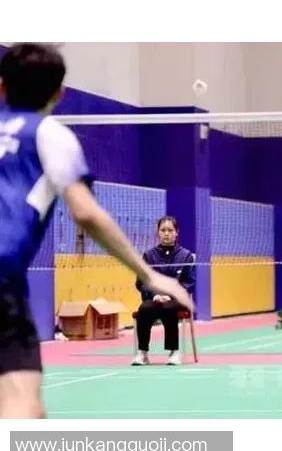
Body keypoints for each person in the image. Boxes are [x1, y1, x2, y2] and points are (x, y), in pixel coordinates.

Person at [0, 43, 194, 419]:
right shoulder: (49, 135)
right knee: (22, 405)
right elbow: (86, 213)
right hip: (2, 278)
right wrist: (149, 274)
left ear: (2, 86)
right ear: (59, 94)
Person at [132, 216, 195, 366]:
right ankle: (142, 353)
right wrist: (154, 295)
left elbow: (189, 282)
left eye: (170, 230)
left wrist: (171, 295)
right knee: (144, 308)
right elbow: (141, 282)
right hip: (154, 299)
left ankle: (174, 352)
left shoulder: (186, 256)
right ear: (158, 232)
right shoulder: (149, 256)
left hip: (177, 300)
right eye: (163, 230)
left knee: (168, 308)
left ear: (177, 232)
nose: (166, 233)